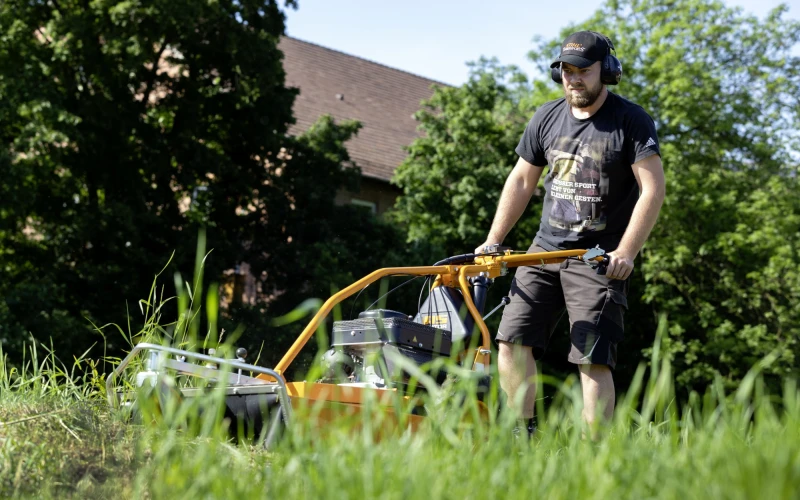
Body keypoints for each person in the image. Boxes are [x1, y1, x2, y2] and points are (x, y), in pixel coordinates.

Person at [475, 30, 666, 436]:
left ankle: (595, 452)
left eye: (582, 70)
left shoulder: (630, 121)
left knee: (592, 356)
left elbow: (653, 189)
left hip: (596, 257)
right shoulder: (546, 117)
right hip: (542, 251)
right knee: (511, 339)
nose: (573, 78)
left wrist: (626, 252)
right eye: (565, 70)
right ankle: (519, 436)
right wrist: (493, 239)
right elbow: (522, 181)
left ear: (607, 71)